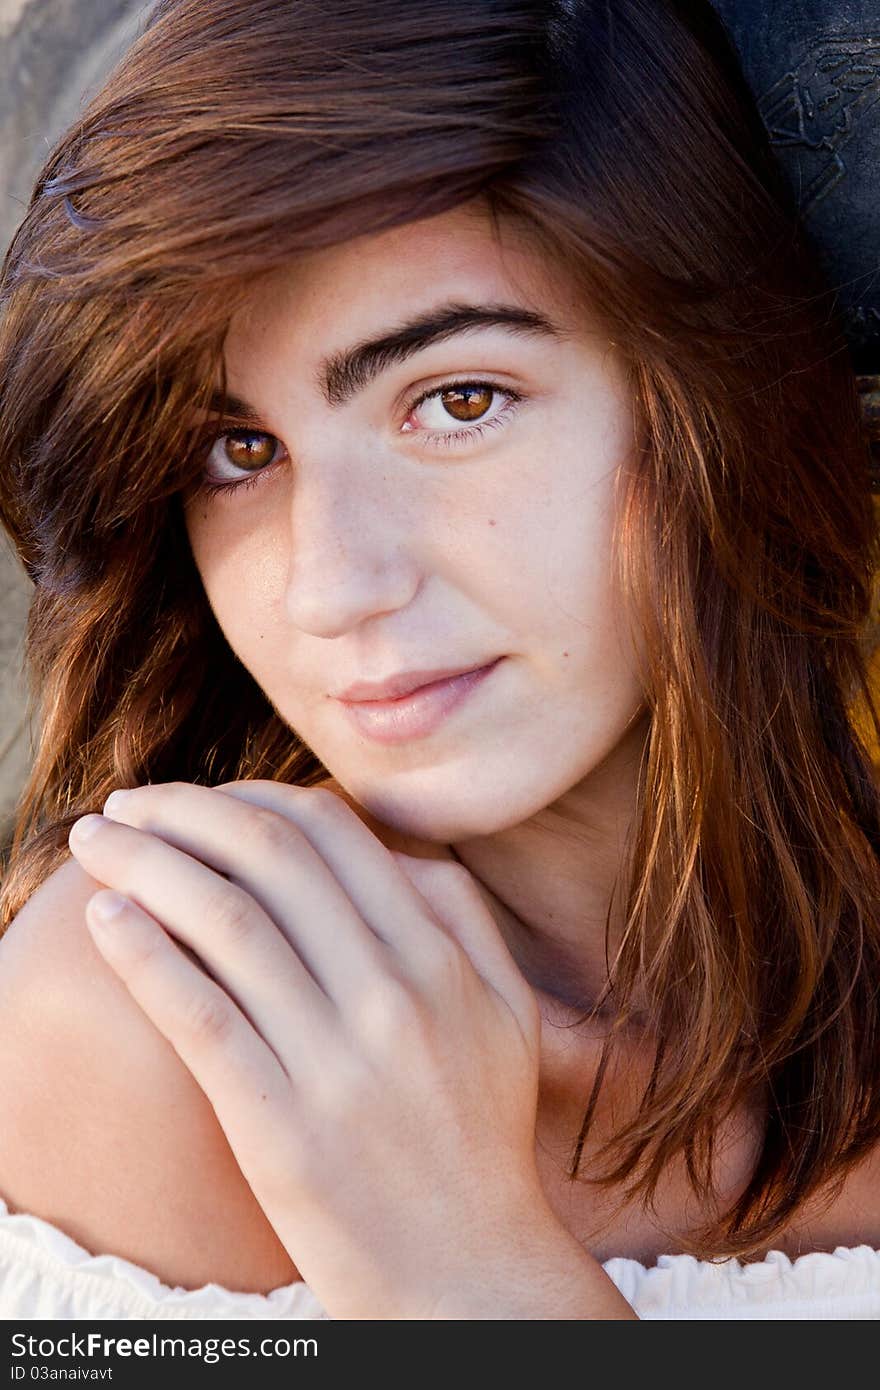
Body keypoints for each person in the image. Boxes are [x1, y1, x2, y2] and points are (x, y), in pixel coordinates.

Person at [0, 0, 878, 1321]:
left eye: (458, 400)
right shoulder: (159, 1014)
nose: (328, 583)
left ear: (715, 408)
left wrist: (475, 1279)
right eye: (237, 453)